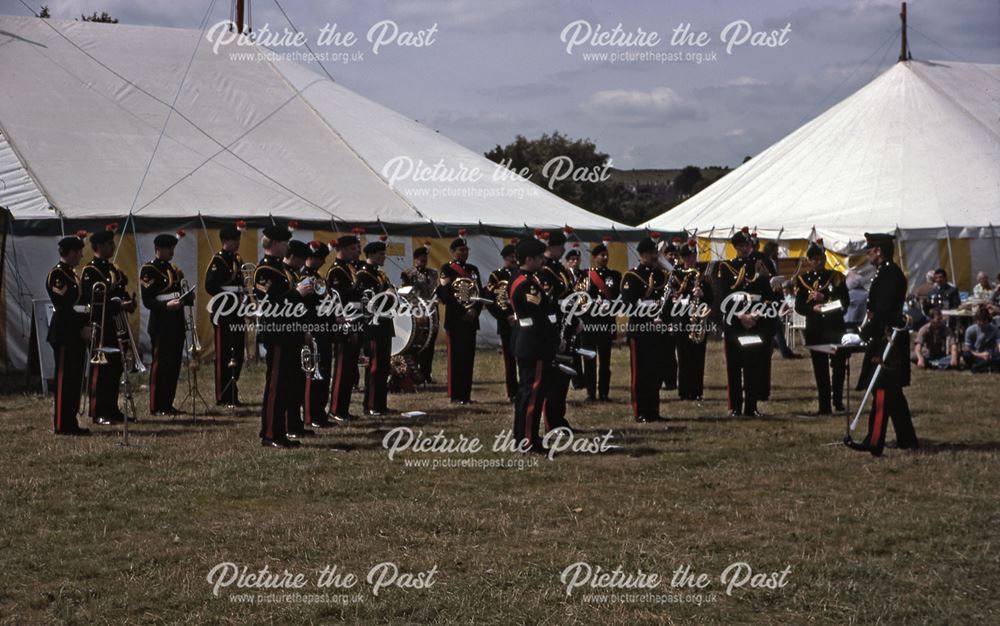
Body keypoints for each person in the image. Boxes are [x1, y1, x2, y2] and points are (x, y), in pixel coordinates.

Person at [847, 232, 917, 457]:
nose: (867, 253)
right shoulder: (883, 272)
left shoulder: (889, 274)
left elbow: (884, 311)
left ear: (878, 251)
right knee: (893, 394)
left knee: (882, 390)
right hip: (884, 336)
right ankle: (907, 439)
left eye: (869, 249)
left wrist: (864, 333)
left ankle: (874, 440)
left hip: (889, 339)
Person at [254, 225, 312, 448]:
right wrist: (297, 293)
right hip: (277, 333)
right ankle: (270, 433)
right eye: (285, 243)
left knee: (286, 385)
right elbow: (269, 303)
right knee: (276, 385)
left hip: (290, 332)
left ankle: (281, 430)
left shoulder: (282, 269)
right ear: (276, 244)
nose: (288, 247)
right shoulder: (265, 270)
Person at [713, 227, 774, 417]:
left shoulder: (760, 265)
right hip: (735, 321)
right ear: (736, 247)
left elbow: (767, 294)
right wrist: (741, 315)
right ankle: (735, 407)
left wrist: (756, 314)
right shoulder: (726, 267)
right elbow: (723, 296)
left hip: (756, 319)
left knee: (753, 365)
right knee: (734, 366)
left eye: (747, 245)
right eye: (741, 246)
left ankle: (751, 406)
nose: (745, 249)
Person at [80, 224, 136, 425]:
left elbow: (121, 291)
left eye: (112, 243)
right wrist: (117, 303)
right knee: (101, 370)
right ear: (98, 246)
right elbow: (92, 298)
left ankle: (112, 409)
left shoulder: (114, 269)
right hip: (101, 325)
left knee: (115, 369)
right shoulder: (91, 271)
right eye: (108, 244)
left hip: (117, 324)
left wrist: (129, 303)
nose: (112, 247)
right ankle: (98, 411)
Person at [508, 237, 559, 454]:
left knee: (527, 394)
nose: (542, 261)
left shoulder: (523, 279)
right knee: (532, 395)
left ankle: (524, 437)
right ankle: (528, 440)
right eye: (539, 258)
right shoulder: (527, 283)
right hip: (535, 342)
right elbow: (541, 316)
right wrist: (557, 337)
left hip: (528, 340)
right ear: (529, 259)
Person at [140, 231, 194, 416]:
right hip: (161, 322)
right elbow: (148, 300)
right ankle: (157, 405)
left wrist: (187, 298)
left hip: (176, 321)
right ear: (158, 249)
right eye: (168, 248)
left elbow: (179, 291)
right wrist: (165, 305)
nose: (171, 251)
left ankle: (167, 403)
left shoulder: (174, 270)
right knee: (160, 366)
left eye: (172, 248)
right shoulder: (149, 270)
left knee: (173, 365)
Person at [795, 240, 849, 414]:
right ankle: (824, 406)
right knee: (820, 370)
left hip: (834, 327)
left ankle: (838, 400)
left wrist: (824, 300)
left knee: (839, 366)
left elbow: (844, 303)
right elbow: (799, 306)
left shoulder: (836, 277)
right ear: (810, 261)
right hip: (816, 329)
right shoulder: (803, 280)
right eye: (815, 259)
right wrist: (813, 308)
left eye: (821, 258)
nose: (819, 262)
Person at [46, 231, 91, 435]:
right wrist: (80, 328)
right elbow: (64, 308)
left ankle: (70, 421)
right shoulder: (58, 275)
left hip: (76, 333)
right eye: (79, 252)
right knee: (65, 380)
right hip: (65, 333)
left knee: (74, 379)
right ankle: (62, 424)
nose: (81, 256)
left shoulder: (72, 274)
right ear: (71, 253)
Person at [621, 236, 670, 422]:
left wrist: (663, 318)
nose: (654, 256)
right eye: (650, 253)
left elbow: (666, 304)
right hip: (640, 331)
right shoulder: (632, 276)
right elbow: (629, 304)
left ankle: (653, 410)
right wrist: (650, 318)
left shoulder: (661, 276)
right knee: (640, 374)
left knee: (656, 372)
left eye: (655, 253)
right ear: (641, 255)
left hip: (658, 331)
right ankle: (640, 411)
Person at [537, 229, 577, 430]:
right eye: (560, 246)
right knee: (554, 377)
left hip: (567, 324)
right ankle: (552, 421)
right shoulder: (544, 271)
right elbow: (549, 303)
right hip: (556, 326)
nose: (563, 250)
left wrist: (575, 319)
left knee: (563, 377)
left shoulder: (559, 268)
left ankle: (559, 418)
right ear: (551, 247)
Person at [437, 230, 483, 404]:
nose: (464, 253)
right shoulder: (447, 269)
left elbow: (480, 293)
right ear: (453, 252)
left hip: (471, 320)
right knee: (456, 359)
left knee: (468, 358)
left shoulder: (473, 269)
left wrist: (474, 311)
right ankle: (456, 395)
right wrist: (464, 312)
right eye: (461, 250)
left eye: (466, 250)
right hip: (456, 320)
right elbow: (446, 295)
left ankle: (466, 395)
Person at [204, 221, 246, 407]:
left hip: (237, 311)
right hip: (223, 312)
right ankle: (223, 395)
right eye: (234, 240)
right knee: (223, 354)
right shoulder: (218, 261)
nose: (237, 243)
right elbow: (210, 286)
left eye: (238, 239)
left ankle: (233, 391)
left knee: (237, 352)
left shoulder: (237, 260)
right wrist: (229, 294)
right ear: (225, 241)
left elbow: (243, 285)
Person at [355, 237, 396, 415]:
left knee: (383, 367)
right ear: (371, 255)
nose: (384, 257)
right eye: (381, 254)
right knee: (374, 367)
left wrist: (391, 293)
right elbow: (370, 302)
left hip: (385, 323)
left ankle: (380, 404)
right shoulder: (363, 274)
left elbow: (388, 291)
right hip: (373, 326)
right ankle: (371, 405)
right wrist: (387, 295)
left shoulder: (380, 274)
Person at [327, 231, 364, 421]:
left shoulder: (350, 268)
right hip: (344, 321)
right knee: (342, 367)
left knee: (350, 368)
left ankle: (344, 408)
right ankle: (336, 408)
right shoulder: (336, 270)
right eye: (351, 249)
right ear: (340, 250)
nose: (354, 252)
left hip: (356, 318)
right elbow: (339, 296)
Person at [671, 239, 712, 401]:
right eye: (687, 257)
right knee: (683, 356)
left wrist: (703, 295)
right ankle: (684, 390)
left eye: (693, 256)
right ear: (682, 258)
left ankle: (697, 390)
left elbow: (711, 298)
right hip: (682, 318)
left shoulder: (703, 276)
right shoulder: (676, 275)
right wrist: (688, 297)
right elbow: (672, 297)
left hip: (699, 319)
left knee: (698, 356)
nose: (691, 260)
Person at [580, 236, 620, 402]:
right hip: (590, 322)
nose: (604, 257)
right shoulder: (585, 276)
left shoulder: (615, 275)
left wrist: (611, 307)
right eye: (601, 255)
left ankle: (604, 392)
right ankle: (591, 392)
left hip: (606, 322)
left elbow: (619, 299)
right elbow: (580, 299)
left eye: (606, 255)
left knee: (605, 360)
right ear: (594, 257)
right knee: (589, 359)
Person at [282, 239, 313, 439]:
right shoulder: (280, 273)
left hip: (298, 329)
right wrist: (297, 293)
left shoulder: (294, 274)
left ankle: (296, 423)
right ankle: (288, 424)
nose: (303, 264)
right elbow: (279, 302)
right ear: (292, 256)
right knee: (287, 382)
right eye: (301, 259)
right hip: (285, 331)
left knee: (298, 382)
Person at [302, 240, 332, 428]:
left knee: (323, 374)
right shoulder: (303, 279)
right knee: (313, 374)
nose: (320, 262)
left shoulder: (318, 277)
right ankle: (311, 414)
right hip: (312, 328)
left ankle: (319, 413)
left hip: (323, 328)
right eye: (318, 258)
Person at [400, 242, 439, 382]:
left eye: (425, 259)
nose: (423, 262)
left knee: (430, 344)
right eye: (420, 259)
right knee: (416, 342)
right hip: (418, 311)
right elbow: (406, 292)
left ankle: (426, 373)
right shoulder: (409, 273)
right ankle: (415, 374)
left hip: (432, 310)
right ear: (415, 259)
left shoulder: (433, 273)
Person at [485, 242, 519, 402]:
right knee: (509, 360)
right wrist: (504, 316)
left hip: (522, 323)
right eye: (510, 257)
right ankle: (512, 392)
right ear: (504, 258)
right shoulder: (497, 276)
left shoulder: (521, 274)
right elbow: (491, 300)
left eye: (515, 256)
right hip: (506, 324)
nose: (513, 259)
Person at [962, 307, 1000, 373]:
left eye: (984, 321)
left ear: (988, 320)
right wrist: (980, 355)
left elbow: (999, 343)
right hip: (976, 355)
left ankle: (980, 367)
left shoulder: (995, 330)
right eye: (979, 320)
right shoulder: (970, 330)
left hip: (990, 356)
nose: (981, 323)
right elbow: (968, 349)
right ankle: (987, 367)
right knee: (966, 354)